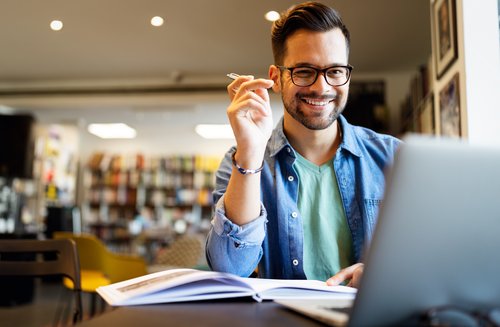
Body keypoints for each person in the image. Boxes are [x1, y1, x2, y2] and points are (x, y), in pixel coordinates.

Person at [205, 1, 400, 288]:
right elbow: (230, 269)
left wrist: (384, 273)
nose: (321, 87)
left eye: (334, 71)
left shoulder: (394, 157)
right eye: (305, 71)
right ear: (276, 78)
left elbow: (434, 255)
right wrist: (250, 152)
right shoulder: (240, 162)